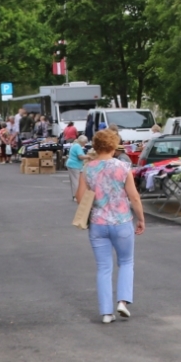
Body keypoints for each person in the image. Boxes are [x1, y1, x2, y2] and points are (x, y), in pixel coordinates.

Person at [73, 129, 145, 323]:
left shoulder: (87, 169)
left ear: (96, 147)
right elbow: (134, 197)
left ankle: (106, 313)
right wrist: (141, 219)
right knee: (126, 262)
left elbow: (80, 198)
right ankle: (122, 302)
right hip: (122, 222)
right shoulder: (123, 167)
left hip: (97, 224)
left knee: (103, 268)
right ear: (114, 146)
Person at [65, 133, 88, 199]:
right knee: (76, 181)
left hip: (72, 164)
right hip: (74, 165)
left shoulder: (75, 145)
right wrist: (89, 156)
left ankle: (75, 195)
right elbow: (80, 156)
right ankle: (76, 196)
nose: (85, 144)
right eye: (85, 142)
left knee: (74, 181)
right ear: (82, 141)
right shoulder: (77, 146)